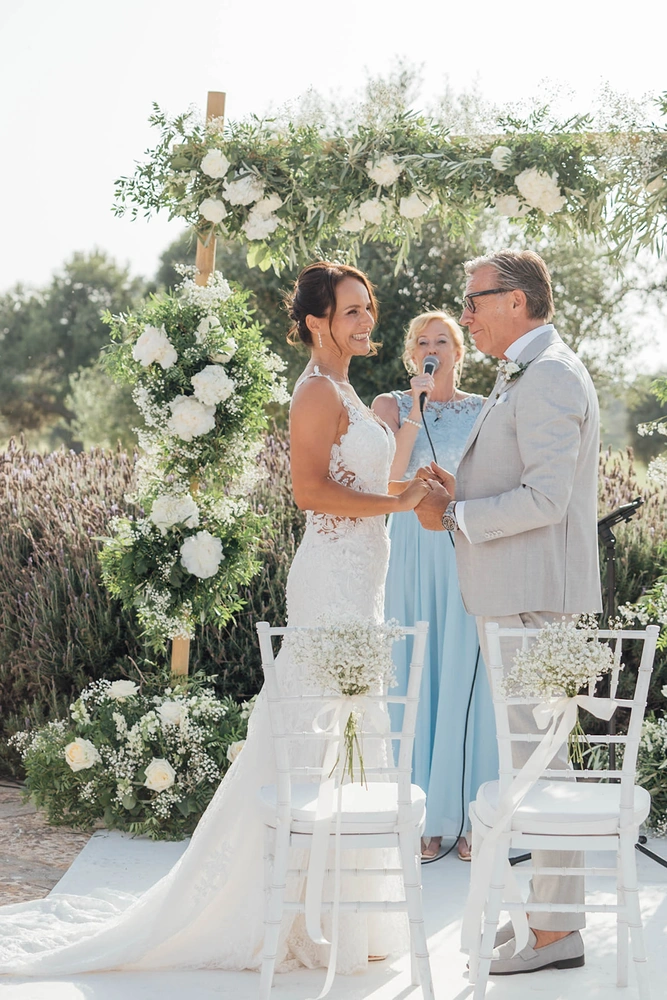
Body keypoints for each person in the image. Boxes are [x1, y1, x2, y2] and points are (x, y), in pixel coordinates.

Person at [0, 261, 430, 977]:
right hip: (329, 581)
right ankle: (285, 914)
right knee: (312, 726)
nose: (365, 321)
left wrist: (407, 488)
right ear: (316, 321)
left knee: (350, 724)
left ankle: (346, 917)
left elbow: (357, 483)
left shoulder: (349, 390)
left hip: (363, 579)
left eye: (367, 308)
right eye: (352, 310)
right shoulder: (316, 392)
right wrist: (397, 505)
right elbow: (309, 492)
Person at [415, 249, 601, 976]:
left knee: (540, 772)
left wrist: (457, 513)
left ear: (516, 300)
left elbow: (546, 499)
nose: (464, 314)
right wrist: (452, 484)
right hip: (518, 594)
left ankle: (555, 934)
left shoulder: (549, 374)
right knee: (535, 769)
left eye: (474, 300)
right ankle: (549, 921)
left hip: (531, 601)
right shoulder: (531, 369)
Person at [372, 312, 497, 862]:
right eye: (422, 342)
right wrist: (415, 416)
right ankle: (423, 815)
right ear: (410, 354)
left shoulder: (483, 409)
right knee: (415, 670)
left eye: (441, 340)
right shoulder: (390, 406)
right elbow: (389, 481)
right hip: (409, 546)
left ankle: (472, 815)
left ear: (458, 352)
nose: (432, 348)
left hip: (461, 542)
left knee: (464, 675)